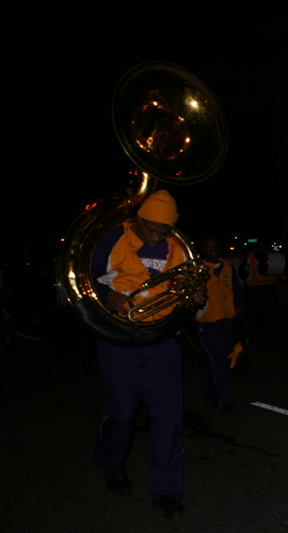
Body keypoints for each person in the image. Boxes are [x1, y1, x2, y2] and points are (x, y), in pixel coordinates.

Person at [90, 190, 205, 519]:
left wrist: (196, 295)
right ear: (138, 220)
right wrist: (106, 295)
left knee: (168, 418)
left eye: (163, 233)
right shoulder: (113, 239)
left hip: (162, 340)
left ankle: (167, 491)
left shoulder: (178, 247)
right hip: (119, 338)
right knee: (123, 413)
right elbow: (83, 281)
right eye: (152, 230)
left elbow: (188, 285)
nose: (156, 238)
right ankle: (111, 463)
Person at [195, 235, 246, 416]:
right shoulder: (197, 269)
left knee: (219, 361)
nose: (212, 249)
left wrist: (242, 317)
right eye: (208, 246)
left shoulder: (227, 267)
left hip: (227, 321)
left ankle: (210, 394)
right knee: (219, 363)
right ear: (203, 250)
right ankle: (226, 403)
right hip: (208, 323)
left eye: (215, 245)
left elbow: (236, 292)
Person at [240, 241, 283, 343]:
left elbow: (280, 269)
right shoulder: (251, 256)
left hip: (269, 287)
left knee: (273, 314)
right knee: (254, 314)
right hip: (257, 288)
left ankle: (277, 336)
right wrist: (245, 270)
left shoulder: (272, 255)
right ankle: (250, 336)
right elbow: (242, 273)